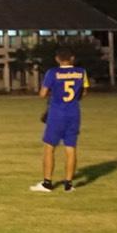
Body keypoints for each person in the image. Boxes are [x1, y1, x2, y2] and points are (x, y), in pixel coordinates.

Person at [35, 48, 88, 192]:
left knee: (49, 147)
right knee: (70, 148)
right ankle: (68, 184)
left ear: (57, 59)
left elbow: (42, 94)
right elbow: (84, 92)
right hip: (74, 113)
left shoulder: (52, 72)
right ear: (72, 58)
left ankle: (47, 183)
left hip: (57, 113)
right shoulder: (81, 72)